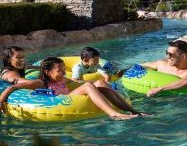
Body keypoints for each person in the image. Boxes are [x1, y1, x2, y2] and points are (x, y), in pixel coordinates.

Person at [0, 57, 145, 120]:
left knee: (100, 83)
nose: (63, 72)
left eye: (64, 69)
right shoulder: (39, 82)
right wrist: (1, 100)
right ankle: (113, 114)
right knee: (88, 86)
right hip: (58, 102)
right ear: (47, 72)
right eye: (59, 70)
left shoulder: (63, 79)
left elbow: (75, 81)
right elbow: (14, 87)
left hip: (71, 97)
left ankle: (134, 111)